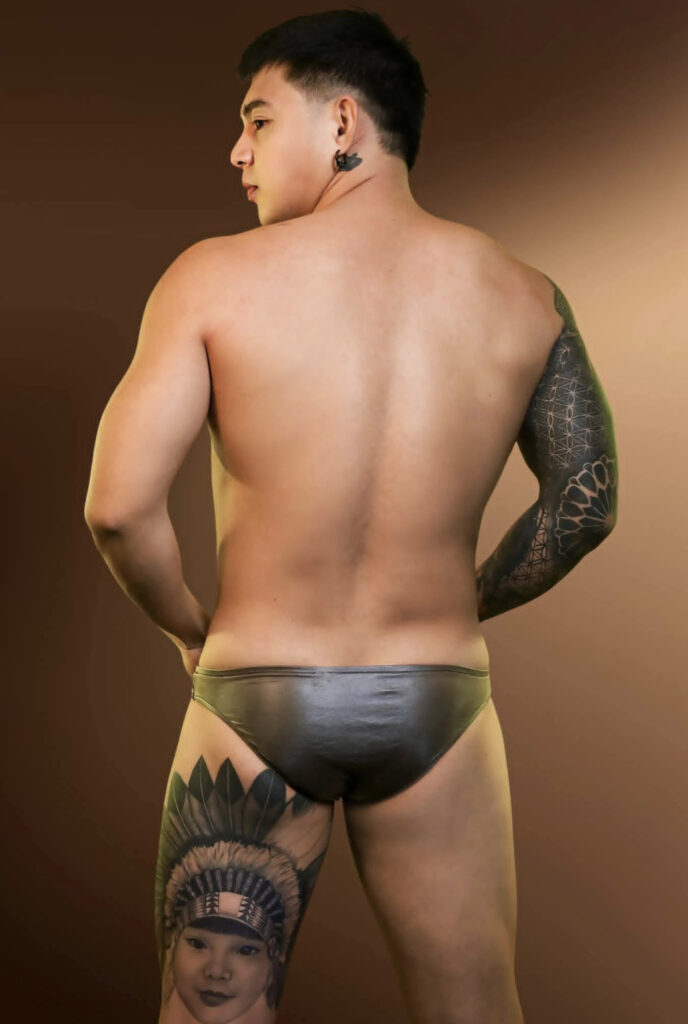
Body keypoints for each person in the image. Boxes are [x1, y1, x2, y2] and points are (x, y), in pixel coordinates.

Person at [84, 8, 619, 1023]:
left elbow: (116, 507)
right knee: (474, 1008)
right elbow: (585, 502)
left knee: (211, 1012)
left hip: (258, 686)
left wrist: (187, 629)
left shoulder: (211, 278)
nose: (237, 151)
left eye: (258, 120)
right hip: (438, 697)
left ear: (341, 122)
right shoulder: (527, 296)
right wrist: (459, 601)